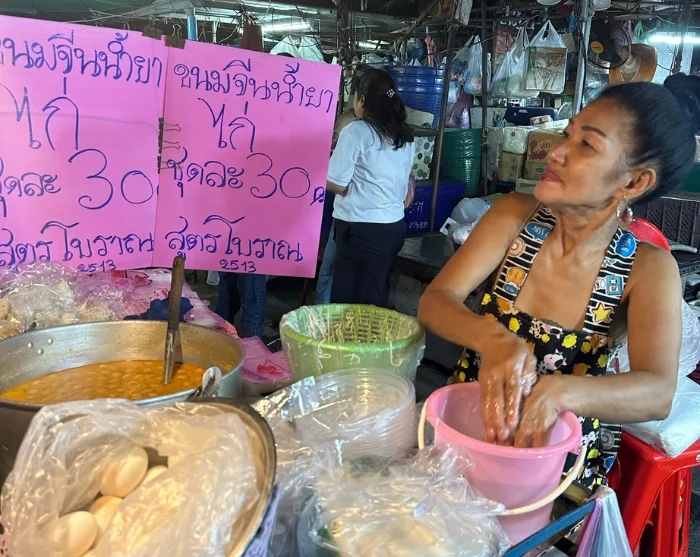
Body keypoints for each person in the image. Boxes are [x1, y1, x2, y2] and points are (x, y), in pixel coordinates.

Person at [417, 74, 700, 489]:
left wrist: (559, 393)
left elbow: (656, 392)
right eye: (567, 134)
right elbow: (435, 300)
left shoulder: (647, 269)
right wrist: (493, 340)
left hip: (554, 464)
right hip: (467, 430)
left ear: (634, 182)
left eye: (587, 145)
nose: (556, 152)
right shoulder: (513, 217)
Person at [326, 69, 415, 307]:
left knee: (348, 303)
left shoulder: (356, 132)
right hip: (392, 228)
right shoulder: (404, 134)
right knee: (375, 296)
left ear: (362, 100)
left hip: (360, 230)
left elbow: (335, 184)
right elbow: (405, 176)